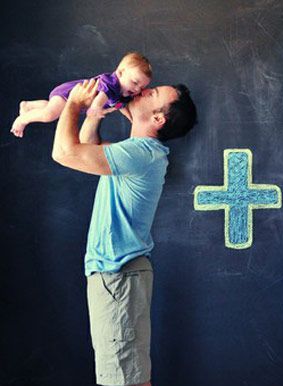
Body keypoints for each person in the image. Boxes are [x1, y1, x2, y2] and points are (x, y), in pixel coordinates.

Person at [51, 77, 197, 386]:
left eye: (152, 93)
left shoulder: (142, 153)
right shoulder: (136, 152)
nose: (143, 91)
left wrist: (75, 103)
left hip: (117, 276)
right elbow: (89, 148)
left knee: (123, 379)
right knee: (127, 377)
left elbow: (64, 153)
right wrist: (94, 113)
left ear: (158, 118)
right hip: (119, 276)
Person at [11, 52, 152, 137]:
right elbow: (103, 93)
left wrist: (131, 118)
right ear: (120, 73)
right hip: (69, 93)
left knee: (53, 109)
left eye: (142, 87)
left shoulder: (122, 94)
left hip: (73, 101)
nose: (137, 89)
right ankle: (22, 120)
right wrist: (96, 107)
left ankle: (28, 105)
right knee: (49, 115)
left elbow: (120, 106)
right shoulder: (111, 81)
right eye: (134, 82)